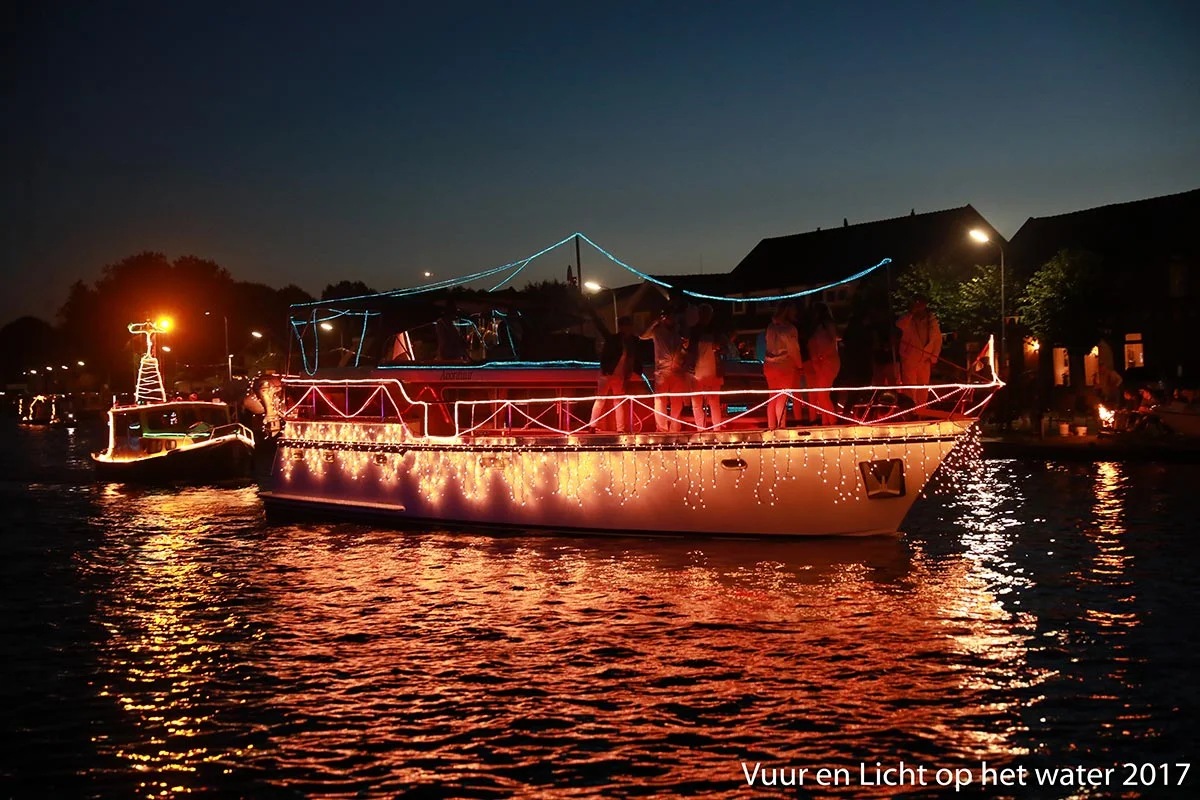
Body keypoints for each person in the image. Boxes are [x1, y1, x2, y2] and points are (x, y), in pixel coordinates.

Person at [589, 314, 644, 432]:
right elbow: (606, 355)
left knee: (616, 402)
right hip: (608, 373)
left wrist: (629, 375)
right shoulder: (616, 340)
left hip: (618, 375)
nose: (628, 329)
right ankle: (593, 425)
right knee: (603, 399)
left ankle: (620, 428)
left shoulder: (630, 342)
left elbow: (632, 360)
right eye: (626, 326)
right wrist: (605, 369)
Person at [639, 306, 688, 432]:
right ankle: (662, 428)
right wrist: (654, 322)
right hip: (662, 370)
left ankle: (674, 428)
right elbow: (642, 336)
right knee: (660, 400)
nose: (670, 319)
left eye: (672, 316)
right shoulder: (657, 331)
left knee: (677, 401)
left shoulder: (679, 331)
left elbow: (685, 347)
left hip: (677, 370)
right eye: (667, 316)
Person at [686, 303, 727, 431]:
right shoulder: (694, 331)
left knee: (713, 402)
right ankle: (700, 429)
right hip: (697, 371)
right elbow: (689, 350)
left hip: (713, 371)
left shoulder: (715, 331)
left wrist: (719, 347)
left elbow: (725, 348)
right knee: (697, 403)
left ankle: (716, 429)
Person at [763, 302, 803, 430]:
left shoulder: (770, 327)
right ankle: (781, 428)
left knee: (772, 397)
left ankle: (771, 427)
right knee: (782, 398)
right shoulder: (790, 329)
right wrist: (799, 365)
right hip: (784, 365)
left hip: (769, 365)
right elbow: (793, 349)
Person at [896, 296, 942, 407]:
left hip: (925, 358)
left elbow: (937, 340)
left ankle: (922, 409)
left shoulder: (931, 321)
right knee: (910, 386)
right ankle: (910, 409)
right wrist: (911, 313)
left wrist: (934, 358)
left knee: (923, 387)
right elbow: (899, 326)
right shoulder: (907, 319)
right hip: (910, 357)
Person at [806, 302, 841, 425]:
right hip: (822, 361)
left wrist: (822, 354)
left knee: (822, 394)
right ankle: (826, 422)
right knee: (823, 394)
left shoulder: (827, 325)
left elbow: (832, 340)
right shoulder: (818, 327)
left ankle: (832, 421)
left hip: (829, 361)